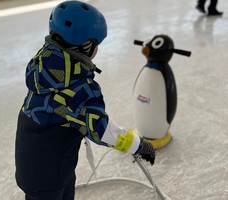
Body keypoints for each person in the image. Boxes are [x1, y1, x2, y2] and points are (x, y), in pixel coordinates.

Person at [15, 1, 155, 200]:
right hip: (49, 175)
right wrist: (138, 145)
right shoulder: (78, 88)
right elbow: (103, 130)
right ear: (87, 46)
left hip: (38, 164)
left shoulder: (44, 64)